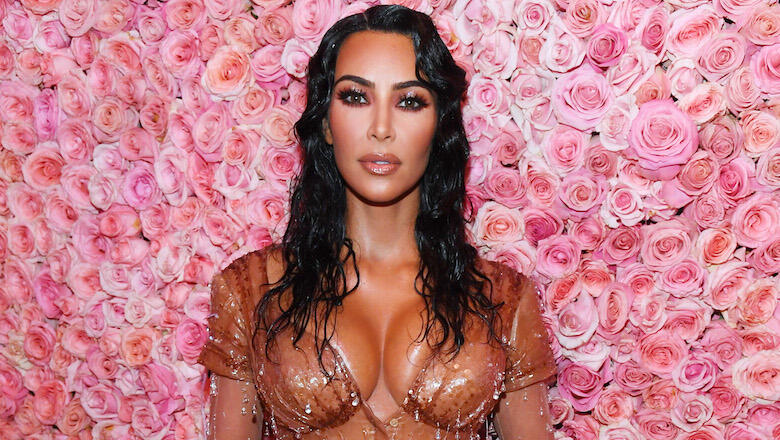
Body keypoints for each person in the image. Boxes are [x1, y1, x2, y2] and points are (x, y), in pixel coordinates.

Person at [198, 5, 557, 439]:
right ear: (325, 123)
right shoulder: (252, 292)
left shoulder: (502, 301)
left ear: (439, 126)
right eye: (355, 97)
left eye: (409, 101)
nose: (381, 128)